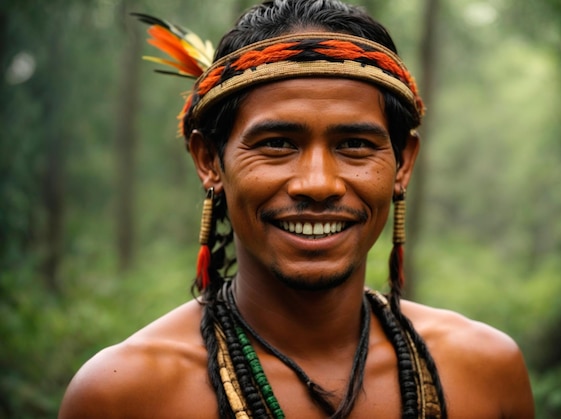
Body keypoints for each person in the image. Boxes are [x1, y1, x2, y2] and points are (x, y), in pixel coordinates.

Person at [59, 0, 534, 417]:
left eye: (354, 144)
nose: (319, 184)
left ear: (403, 164)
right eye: (277, 143)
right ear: (209, 161)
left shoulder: (485, 373)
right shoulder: (122, 395)